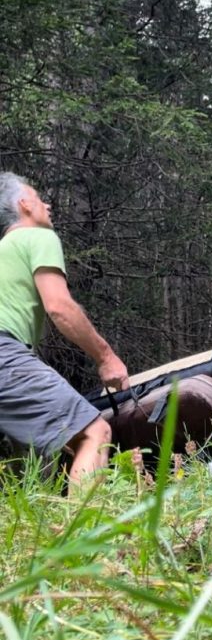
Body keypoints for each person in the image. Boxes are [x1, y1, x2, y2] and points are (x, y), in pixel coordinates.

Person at [0, 172, 129, 488]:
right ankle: (86, 522)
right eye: (38, 198)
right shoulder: (37, 237)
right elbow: (60, 307)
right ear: (24, 204)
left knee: (33, 462)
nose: (48, 205)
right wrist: (106, 357)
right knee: (95, 432)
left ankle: (31, 519)